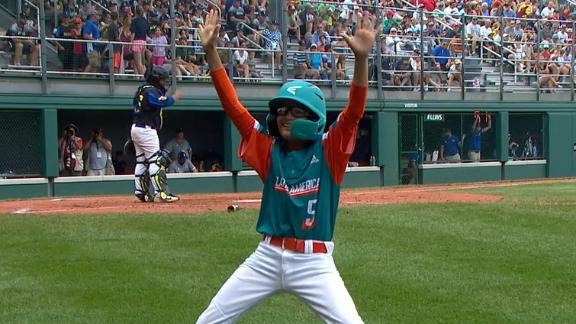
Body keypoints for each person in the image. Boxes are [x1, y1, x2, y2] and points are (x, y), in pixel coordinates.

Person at [196, 9, 376, 323]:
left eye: (295, 111)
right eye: (281, 110)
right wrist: (212, 53)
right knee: (209, 320)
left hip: (314, 262)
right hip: (266, 257)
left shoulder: (329, 150)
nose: (285, 116)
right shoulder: (270, 149)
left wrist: (361, 61)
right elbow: (235, 109)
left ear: (314, 119)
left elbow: (353, 115)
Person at [131, 65, 182, 203]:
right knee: (156, 161)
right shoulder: (150, 91)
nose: (163, 82)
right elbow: (161, 102)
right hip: (146, 130)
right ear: (155, 79)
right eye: (162, 80)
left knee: (141, 161)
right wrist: (174, 98)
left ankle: (141, 193)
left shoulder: (141, 90)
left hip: (136, 128)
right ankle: (161, 194)